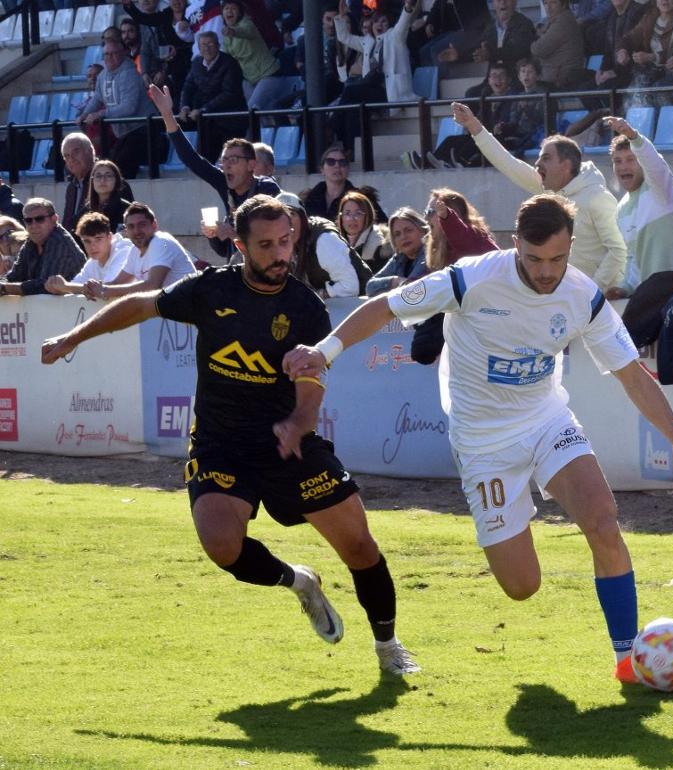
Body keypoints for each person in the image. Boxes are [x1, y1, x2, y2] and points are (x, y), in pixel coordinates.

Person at [283, 193, 673, 684]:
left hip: (547, 420)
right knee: (522, 586)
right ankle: (513, 520)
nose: (547, 271)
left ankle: (626, 661)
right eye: (535, 259)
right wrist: (325, 351)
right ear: (515, 245)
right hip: (483, 441)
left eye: (558, 258)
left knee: (602, 519)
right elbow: (384, 307)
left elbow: (633, 376)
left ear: (571, 247)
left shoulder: (582, 294)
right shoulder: (472, 278)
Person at [40, 195, 421, 677]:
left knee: (361, 549)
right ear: (240, 246)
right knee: (222, 545)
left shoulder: (306, 308)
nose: (280, 253)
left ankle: (388, 647)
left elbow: (311, 385)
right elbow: (141, 304)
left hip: (290, 444)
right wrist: (72, 338)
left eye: (285, 241)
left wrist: (300, 421)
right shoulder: (210, 289)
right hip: (221, 442)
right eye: (266, 245)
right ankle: (299, 582)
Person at [454, 102, 628, 290]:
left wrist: (594, 291)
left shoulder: (597, 198)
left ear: (566, 165)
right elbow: (508, 164)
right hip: (565, 298)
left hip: (597, 303)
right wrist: (474, 126)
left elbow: (619, 250)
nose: (537, 163)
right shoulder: (549, 189)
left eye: (546, 158)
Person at [149, 84, 281, 261]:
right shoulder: (225, 186)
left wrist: (233, 233)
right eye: (223, 161)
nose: (226, 166)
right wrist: (167, 114)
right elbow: (192, 159)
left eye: (233, 161)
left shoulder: (267, 189)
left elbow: (274, 238)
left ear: (251, 165)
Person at [604, 116, 673, 298]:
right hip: (655, 295)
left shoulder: (661, 189)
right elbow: (634, 258)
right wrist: (625, 288)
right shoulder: (621, 209)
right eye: (617, 161)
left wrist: (633, 136)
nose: (623, 166)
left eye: (630, 159)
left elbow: (654, 165)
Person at [78, 41, 164, 180]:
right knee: (110, 164)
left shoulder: (130, 74)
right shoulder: (102, 76)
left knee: (119, 167)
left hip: (143, 130)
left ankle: (121, 197)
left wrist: (101, 114)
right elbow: (97, 99)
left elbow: (129, 107)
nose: (109, 57)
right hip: (124, 134)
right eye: (106, 54)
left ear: (123, 54)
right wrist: (85, 114)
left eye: (113, 54)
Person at [84, 203, 197, 300]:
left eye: (142, 225)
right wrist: (90, 289)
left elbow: (153, 286)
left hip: (192, 310)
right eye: (131, 227)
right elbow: (116, 284)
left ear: (154, 225)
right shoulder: (134, 251)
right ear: (126, 231)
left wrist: (105, 291)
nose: (137, 231)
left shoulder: (162, 242)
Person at [179, 31, 248, 163]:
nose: (207, 48)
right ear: (199, 48)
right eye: (203, 45)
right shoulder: (196, 63)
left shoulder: (230, 63)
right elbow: (188, 87)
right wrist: (185, 106)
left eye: (210, 44)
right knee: (204, 162)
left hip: (231, 121)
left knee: (232, 162)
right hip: (208, 122)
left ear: (218, 45)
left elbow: (230, 93)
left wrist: (204, 109)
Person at [333, 0, 418, 103]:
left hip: (392, 92)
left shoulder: (395, 37)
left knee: (351, 91)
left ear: (389, 25)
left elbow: (404, 22)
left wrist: (408, 6)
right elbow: (344, 37)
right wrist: (341, 16)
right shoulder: (367, 42)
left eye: (383, 21)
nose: (379, 25)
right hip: (372, 89)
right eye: (376, 22)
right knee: (351, 98)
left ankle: (332, 119)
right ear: (371, 26)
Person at [283, 194, 364, 298]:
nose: (287, 222)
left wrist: (318, 295)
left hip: (359, 304)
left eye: (291, 214)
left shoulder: (324, 240)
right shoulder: (282, 245)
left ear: (303, 218)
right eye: (281, 217)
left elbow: (350, 287)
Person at [0, 200, 86, 297]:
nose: (33, 225)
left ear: (54, 219)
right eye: (28, 221)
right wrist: (2, 284)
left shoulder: (59, 242)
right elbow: (15, 276)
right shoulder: (31, 242)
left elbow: (45, 286)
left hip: (78, 309)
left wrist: (4, 288)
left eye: (39, 219)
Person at [44, 212, 134, 296]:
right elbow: (75, 285)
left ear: (109, 237)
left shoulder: (124, 251)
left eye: (98, 239)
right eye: (87, 241)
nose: (93, 246)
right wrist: (57, 287)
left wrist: (65, 287)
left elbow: (107, 289)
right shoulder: (92, 262)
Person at [220, 0, 287, 111]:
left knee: (252, 111)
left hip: (268, 74)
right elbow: (227, 59)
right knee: (259, 117)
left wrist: (233, 31)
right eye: (226, 8)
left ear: (240, 12)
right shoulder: (226, 35)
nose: (229, 11)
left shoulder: (247, 23)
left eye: (233, 8)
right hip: (248, 79)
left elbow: (245, 31)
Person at [300, 145, 386, 223]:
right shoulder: (308, 199)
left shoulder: (362, 198)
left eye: (342, 162)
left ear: (348, 169)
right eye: (330, 162)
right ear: (322, 170)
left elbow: (383, 225)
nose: (337, 165)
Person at [366, 208, 429, 296]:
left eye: (408, 230)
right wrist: (396, 281)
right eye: (397, 234)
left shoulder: (428, 253)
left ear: (422, 230)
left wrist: (392, 286)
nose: (403, 237)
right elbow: (370, 287)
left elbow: (411, 286)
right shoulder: (399, 258)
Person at [530, 0, 588, 90]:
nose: (548, 7)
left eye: (553, 2)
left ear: (563, 4)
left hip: (560, 80)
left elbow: (538, 49)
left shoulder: (563, 21)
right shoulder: (555, 20)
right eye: (545, 3)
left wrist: (534, 41)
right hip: (553, 77)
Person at [465, 0, 537, 70]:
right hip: (494, 77)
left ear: (515, 2)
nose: (503, 2)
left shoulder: (524, 24)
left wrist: (490, 53)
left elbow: (515, 49)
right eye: (498, 0)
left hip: (517, 76)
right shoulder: (490, 26)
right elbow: (478, 46)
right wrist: (459, 54)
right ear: (493, 3)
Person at [594, 0, 648, 91]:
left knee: (604, 89)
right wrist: (602, 70)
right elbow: (608, 51)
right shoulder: (612, 16)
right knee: (584, 88)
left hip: (632, 73)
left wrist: (615, 72)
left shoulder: (639, 12)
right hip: (616, 72)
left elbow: (638, 49)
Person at [335, 191, 392, 275]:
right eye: (347, 213)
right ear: (341, 218)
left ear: (368, 216)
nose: (352, 218)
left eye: (358, 213)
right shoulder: (335, 242)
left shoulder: (379, 245)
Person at [61, 133, 97, 234]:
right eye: (67, 156)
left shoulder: (105, 180)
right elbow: (67, 224)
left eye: (76, 151)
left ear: (90, 151)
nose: (71, 159)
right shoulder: (71, 187)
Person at [87, 160, 133, 233]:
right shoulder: (85, 211)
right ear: (92, 181)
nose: (102, 180)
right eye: (98, 176)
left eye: (108, 176)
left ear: (116, 180)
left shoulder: (128, 210)